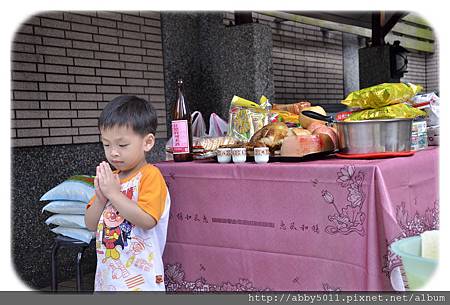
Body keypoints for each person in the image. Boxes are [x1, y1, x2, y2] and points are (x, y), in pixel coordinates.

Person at [85, 95, 170, 291]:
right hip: (108, 279)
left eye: (122, 145)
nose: (113, 152)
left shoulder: (150, 176)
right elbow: (90, 224)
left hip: (143, 280)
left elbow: (148, 220)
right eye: (106, 144)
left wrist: (114, 195)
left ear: (147, 142)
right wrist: (100, 197)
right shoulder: (110, 180)